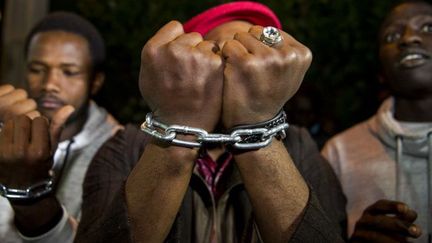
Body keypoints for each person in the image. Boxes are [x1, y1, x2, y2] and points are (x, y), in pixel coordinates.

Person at [75, 2, 348, 242]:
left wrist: (254, 124)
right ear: (190, 67)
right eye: (221, 54)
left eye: (249, 57)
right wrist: (180, 120)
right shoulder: (128, 146)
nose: (238, 69)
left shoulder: (299, 147)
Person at [0, 12, 122, 242]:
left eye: (69, 72)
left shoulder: (117, 151)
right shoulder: (6, 126)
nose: (49, 84)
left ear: (95, 82)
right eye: (37, 69)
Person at [322, 0, 430, 242]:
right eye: (392, 36)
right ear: (381, 71)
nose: (409, 39)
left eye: (428, 28)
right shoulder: (339, 152)